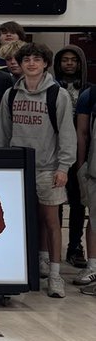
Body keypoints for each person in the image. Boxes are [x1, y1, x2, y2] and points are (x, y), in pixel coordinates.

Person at [0, 43, 76, 299]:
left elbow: (67, 134)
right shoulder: (11, 94)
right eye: (26, 59)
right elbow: (2, 133)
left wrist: (64, 167)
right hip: (18, 167)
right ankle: (21, 268)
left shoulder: (58, 95)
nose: (31, 63)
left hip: (48, 168)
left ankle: (55, 275)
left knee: (51, 222)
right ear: (20, 64)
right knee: (17, 220)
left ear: (45, 64)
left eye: (36, 59)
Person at [53, 44, 91, 268]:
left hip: (81, 151)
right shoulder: (51, 88)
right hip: (55, 151)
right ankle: (52, 248)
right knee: (54, 202)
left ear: (80, 64)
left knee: (78, 203)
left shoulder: (89, 90)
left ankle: (75, 246)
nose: (69, 63)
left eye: (73, 60)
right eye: (65, 60)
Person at [74, 76, 96, 290]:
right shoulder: (90, 95)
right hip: (93, 168)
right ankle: (92, 266)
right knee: (94, 217)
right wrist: (81, 165)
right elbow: (82, 134)